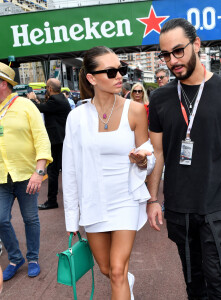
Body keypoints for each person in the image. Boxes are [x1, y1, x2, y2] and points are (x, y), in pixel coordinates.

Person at [147, 18, 221, 299]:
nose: (173, 60)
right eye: (165, 54)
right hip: (178, 207)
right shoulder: (160, 98)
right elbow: (158, 153)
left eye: (178, 51)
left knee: (219, 277)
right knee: (193, 281)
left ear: (196, 44)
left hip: (218, 205)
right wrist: (152, 199)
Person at [62, 46, 155, 300]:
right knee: (106, 268)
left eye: (121, 70)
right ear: (91, 78)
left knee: (116, 271)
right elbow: (69, 169)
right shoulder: (76, 117)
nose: (119, 76)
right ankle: (127, 281)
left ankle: (122, 280)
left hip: (125, 198)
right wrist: (72, 219)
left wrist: (142, 161)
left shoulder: (134, 110)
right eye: (112, 71)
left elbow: (150, 154)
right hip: (93, 201)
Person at [0, 62, 52, 281]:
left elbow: (41, 138)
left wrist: (38, 172)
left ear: (3, 84)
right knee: (1, 219)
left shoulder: (25, 105)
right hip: (2, 176)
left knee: (30, 218)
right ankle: (15, 257)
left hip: (27, 174)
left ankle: (32, 258)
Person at [32, 79, 71, 210]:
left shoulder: (55, 101)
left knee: (53, 171)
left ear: (49, 88)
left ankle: (52, 200)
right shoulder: (61, 99)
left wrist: (31, 99)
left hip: (56, 141)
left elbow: (39, 108)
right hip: (61, 140)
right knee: (61, 169)